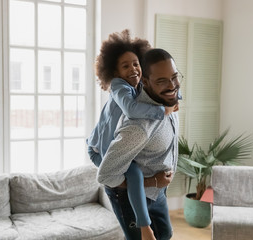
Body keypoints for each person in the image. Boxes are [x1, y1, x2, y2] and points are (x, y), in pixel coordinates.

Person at [86, 30, 174, 240]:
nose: (133, 68)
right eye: (125, 66)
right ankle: (145, 228)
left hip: (116, 146)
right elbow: (132, 111)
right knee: (133, 173)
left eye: (136, 63)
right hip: (100, 150)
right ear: (114, 72)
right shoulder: (119, 86)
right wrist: (163, 111)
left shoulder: (138, 88)